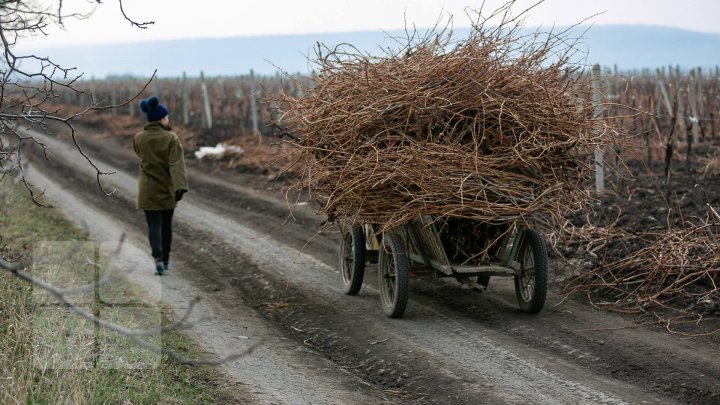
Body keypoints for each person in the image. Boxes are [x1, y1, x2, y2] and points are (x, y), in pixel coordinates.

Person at [133, 96, 188, 275]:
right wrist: (180, 186)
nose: (168, 119)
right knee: (166, 225)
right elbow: (176, 164)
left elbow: (139, 154)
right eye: (167, 116)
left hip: (147, 189)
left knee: (153, 225)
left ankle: (157, 257)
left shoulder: (139, 138)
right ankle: (165, 261)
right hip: (166, 188)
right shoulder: (171, 138)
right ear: (162, 119)